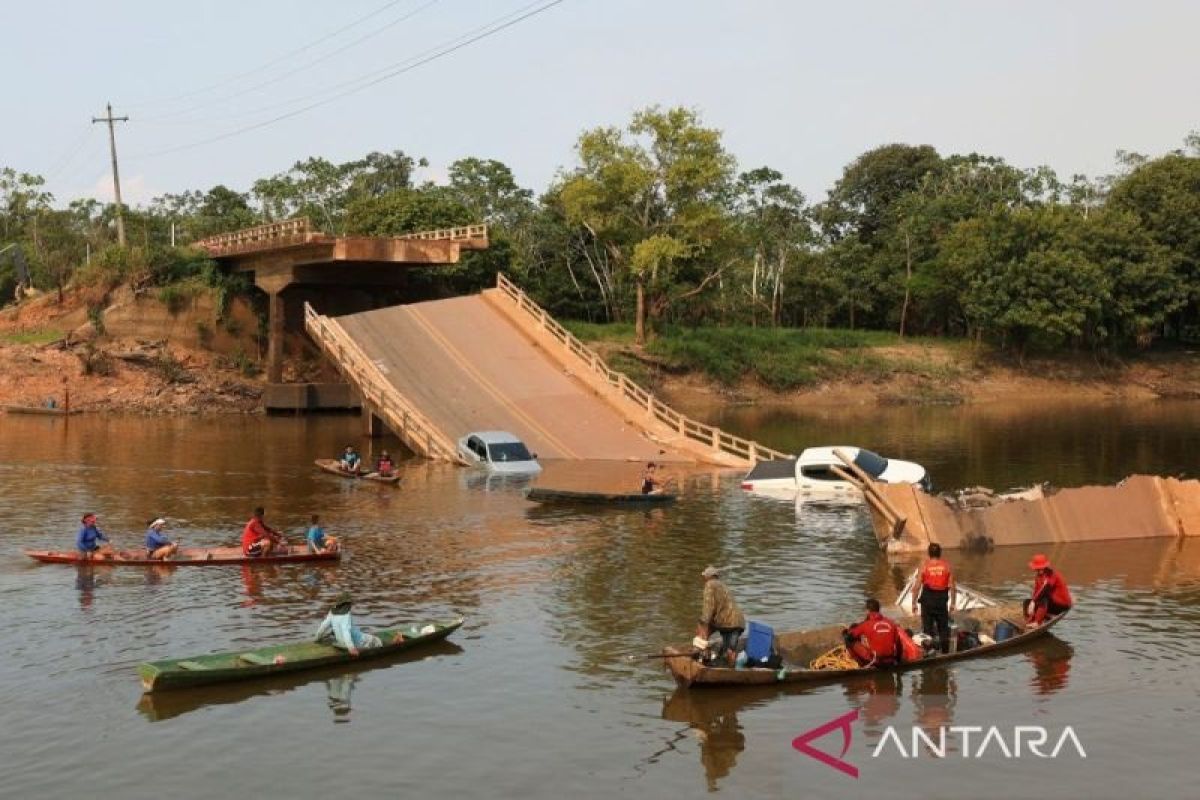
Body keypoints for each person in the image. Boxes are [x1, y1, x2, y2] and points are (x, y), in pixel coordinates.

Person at [314, 592, 393, 656]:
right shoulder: (346, 615)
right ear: (348, 604)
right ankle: (395, 642)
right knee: (378, 641)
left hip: (340, 643)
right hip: (358, 642)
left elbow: (323, 627)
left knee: (366, 636)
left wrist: (317, 638)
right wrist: (351, 648)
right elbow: (346, 631)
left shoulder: (332, 612)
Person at [696, 565, 745, 665]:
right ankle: (732, 666)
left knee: (703, 632)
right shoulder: (722, 585)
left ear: (708, 576)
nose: (704, 579)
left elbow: (708, 608)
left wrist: (703, 623)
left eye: (704, 577)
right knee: (730, 650)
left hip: (726, 622)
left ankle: (704, 656)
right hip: (739, 622)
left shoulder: (709, 585)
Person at [913, 542, 956, 654]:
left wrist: (913, 603)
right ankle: (946, 653)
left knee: (927, 629)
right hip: (941, 600)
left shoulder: (924, 566)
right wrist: (953, 603)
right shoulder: (947, 566)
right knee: (943, 628)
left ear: (929, 553)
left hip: (927, 600)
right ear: (940, 553)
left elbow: (917, 587)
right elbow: (952, 586)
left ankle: (930, 653)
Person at [843, 598, 901, 667]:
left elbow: (851, 636)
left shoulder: (866, 624)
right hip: (891, 660)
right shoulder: (891, 623)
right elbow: (899, 644)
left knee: (848, 639)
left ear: (868, 610)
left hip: (876, 661)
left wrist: (845, 633)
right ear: (879, 610)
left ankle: (860, 664)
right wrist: (897, 660)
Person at [1025, 554, 1073, 625]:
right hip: (1052, 602)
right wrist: (1032, 602)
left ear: (1045, 567)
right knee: (1027, 602)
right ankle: (1030, 619)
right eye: (1037, 569)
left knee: (1043, 599)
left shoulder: (1052, 574)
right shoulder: (1038, 576)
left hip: (1062, 604)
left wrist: (1034, 602)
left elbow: (1045, 590)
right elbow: (1036, 591)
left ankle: (1037, 622)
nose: (1038, 570)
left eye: (1040, 568)